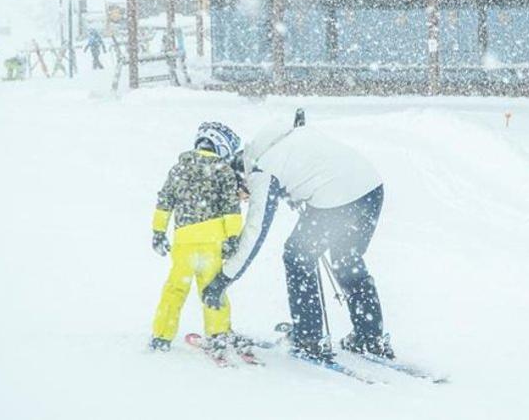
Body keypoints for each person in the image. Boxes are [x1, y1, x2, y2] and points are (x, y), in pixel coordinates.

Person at [203, 114, 392, 363]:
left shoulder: (262, 171)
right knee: (347, 260)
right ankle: (370, 337)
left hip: (337, 198)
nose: (244, 199)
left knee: (297, 255)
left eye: (242, 193)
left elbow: (255, 233)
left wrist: (224, 278)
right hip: (370, 189)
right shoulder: (283, 140)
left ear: (240, 176)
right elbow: (311, 167)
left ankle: (309, 338)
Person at [148, 122, 248, 358]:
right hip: (212, 242)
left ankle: (162, 335)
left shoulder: (178, 169)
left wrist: (158, 232)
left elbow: (165, 202)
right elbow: (231, 209)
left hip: (183, 243)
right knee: (213, 290)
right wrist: (233, 237)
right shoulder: (223, 171)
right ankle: (218, 333)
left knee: (174, 289)